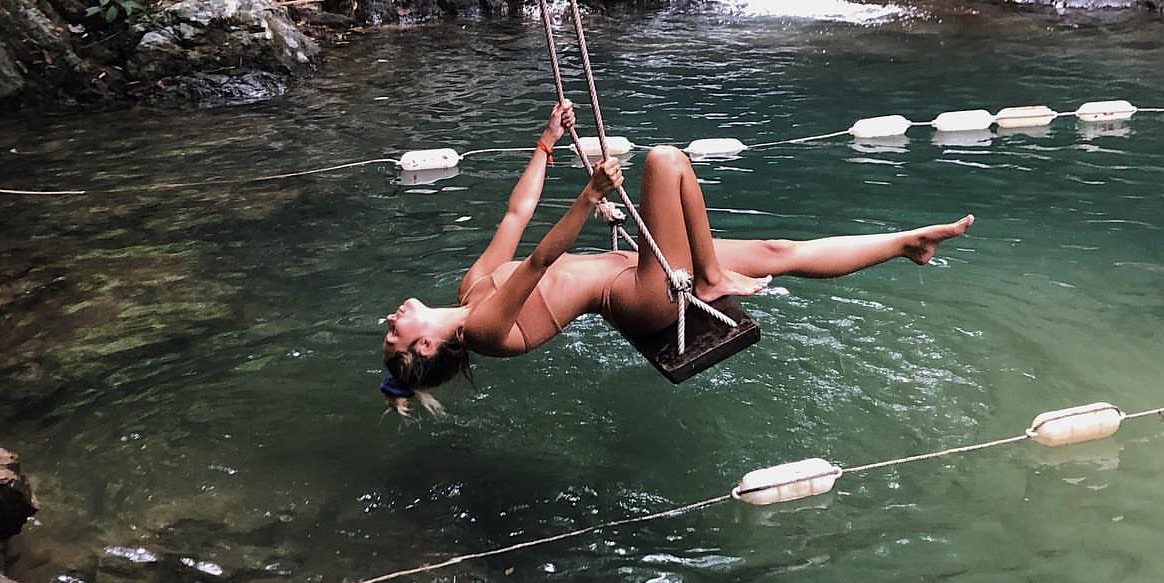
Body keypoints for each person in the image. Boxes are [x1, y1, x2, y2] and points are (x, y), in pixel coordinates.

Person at [381, 101, 973, 413]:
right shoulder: (483, 330)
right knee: (664, 161)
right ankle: (710, 277)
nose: (391, 319)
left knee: (778, 251)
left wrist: (545, 145)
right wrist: (589, 199)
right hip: (643, 296)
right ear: (425, 347)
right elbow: (536, 264)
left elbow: (515, 217)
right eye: (395, 336)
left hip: (640, 263)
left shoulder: (470, 287)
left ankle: (906, 243)